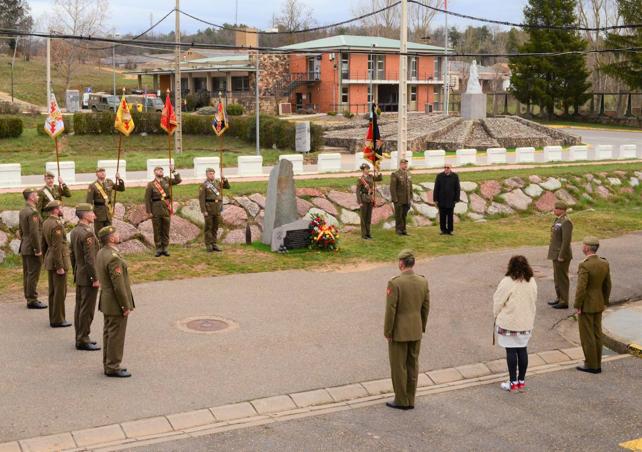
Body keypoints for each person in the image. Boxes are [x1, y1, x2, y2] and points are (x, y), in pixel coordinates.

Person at [384, 249, 430, 410]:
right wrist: (421, 326)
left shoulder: (395, 283)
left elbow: (391, 310)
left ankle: (401, 399)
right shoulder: (423, 281)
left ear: (401, 263)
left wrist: (388, 332)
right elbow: (425, 307)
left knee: (398, 366)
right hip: (416, 329)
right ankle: (410, 398)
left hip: (399, 331)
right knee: (412, 364)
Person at [493, 255, 537, 392]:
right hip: (526, 322)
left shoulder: (507, 281)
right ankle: (521, 381)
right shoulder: (532, 281)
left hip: (509, 322)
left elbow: (498, 301)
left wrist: (496, 315)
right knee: (522, 349)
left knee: (511, 350)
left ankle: (512, 382)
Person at [96, 226, 135, 378]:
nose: (119, 235)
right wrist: (125, 306)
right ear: (111, 238)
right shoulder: (113, 257)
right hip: (115, 302)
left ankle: (108, 363)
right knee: (116, 335)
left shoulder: (102, 253)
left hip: (106, 300)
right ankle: (113, 366)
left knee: (109, 333)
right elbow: (118, 286)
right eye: (116, 234)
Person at [574, 237, 611, 374]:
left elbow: (581, 288)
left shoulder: (585, 265)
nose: (582, 247)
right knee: (597, 334)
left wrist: (578, 305)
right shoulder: (604, 263)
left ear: (587, 248)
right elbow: (607, 285)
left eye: (583, 245)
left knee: (587, 336)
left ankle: (591, 365)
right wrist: (605, 301)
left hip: (587, 304)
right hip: (599, 302)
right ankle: (597, 363)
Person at [70, 203, 101, 351]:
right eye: (91, 212)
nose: (94, 215)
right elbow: (90, 259)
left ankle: (79, 336)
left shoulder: (75, 231)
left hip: (80, 274)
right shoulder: (87, 233)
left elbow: (73, 255)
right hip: (88, 276)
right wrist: (95, 278)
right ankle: (83, 338)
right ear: (85, 214)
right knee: (87, 309)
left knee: (80, 307)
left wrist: (75, 271)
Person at [41, 200, 72, 328]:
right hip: (58, 261)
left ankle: (53, 317)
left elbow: (43, 244)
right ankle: (58, 319)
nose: (61, 209)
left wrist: (45, 259)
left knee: (53, 291)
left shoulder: (46, 222)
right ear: (55, 210)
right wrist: (59, 266)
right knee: (60, 291)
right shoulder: (56, 225)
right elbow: (57, 247)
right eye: (60, 207)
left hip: (50, 259)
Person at [144, 166, 182, 257]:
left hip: (166, 207)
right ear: (154, 172)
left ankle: (165, 247)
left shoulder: (167, 180)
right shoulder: (151, 184)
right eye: (158, 170)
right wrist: (149, 211)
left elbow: (178, 180)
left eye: (162, 170)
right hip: (156, 208)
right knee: (157, 229)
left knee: (165, 229)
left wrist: (173, 171)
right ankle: (158, 248)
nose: (161, 171)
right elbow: (147, 199)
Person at [18, 188, 46, 309]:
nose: (38, 197)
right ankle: (32, 299)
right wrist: (38, 249)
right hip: (32, 247)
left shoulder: (23, 210)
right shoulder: (33, 212)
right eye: (36, 195)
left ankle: (29, 296)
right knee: (33, 274)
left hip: (25, 245)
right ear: (31, 197)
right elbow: (34, 233)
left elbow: (21, 229)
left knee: (27, 273)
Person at [547, 201, 573, 309]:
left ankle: (564, 301)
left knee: (562, 278)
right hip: (555, 254)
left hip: (561, 255)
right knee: (557, 278)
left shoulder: (566, 222)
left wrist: (561, 255)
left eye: (556, 208)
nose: (554, 210)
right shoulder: (558, 220)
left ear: (562, 210)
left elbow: (566, 241)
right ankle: (559, 298)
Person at [198, 167, 230, 252]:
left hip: (217, 209)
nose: (212, 175)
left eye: (213, 173)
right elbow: (201, 199)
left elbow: (227, 186)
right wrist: (204, 210)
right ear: (207, 175)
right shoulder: (204, 185)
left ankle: (214, 243)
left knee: (215, 227)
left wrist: (224, 178)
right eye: (210, 173)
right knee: (208, 227)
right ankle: (208, 244)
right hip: (209, 209)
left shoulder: (217, 183)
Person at [86, 167, 125, 234]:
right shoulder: (93, 186)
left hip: (108, 212)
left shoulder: (109, 182)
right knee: (99, 232)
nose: (102, 173)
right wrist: (91, 213)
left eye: (103, 171)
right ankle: (99, 244)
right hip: (99, 213)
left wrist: (119, 179)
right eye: (100, 172)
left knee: (109, 232)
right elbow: (89, 202)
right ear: (96, 174)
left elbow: (121, 189)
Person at [356, 163, 382, 240]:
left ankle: (368, 233)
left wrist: (377, 172)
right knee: (363, 218)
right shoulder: (360, 179)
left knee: (368, 218)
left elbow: (379, 179)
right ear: (363, 170)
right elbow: (358, 191)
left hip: (370, 199)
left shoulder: (371, 176)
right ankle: (364, 235)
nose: (367, 170)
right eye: (366, 169)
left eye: (368, 169)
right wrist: (359, 202)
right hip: (363, 199)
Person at [433, 163, 461, 235]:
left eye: (447, 167)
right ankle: (443, 230)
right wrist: (435, 199)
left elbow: (457, 188)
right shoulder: (439, 176)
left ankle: (450, 230)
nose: (446, 169)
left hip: (451, 200)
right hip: (441, 200)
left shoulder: (455, 176)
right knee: (442, 216)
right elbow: (436, 188)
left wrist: (456, 199)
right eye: (445, 167)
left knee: (450, 217)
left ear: (450, 168)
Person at [390, 159, 412, 236]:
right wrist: (395, 199)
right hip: (399, 199)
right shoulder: (395, 174)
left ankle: (404, 230)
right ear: (400, 165)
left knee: (404, 215)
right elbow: (392, 188)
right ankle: (398, 230)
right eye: (403, 164)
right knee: (399, 215)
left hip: (407, 199)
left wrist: (410, 197)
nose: (405, 165)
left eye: (406, 164)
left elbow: (410, 187)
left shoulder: (408, 174)